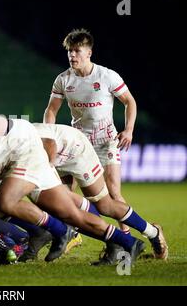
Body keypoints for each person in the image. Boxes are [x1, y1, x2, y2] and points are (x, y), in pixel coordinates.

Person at [0, 99, 146, 264]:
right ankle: (128, 242)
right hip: (24, 161)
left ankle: (56, 231)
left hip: (42, 152)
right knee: (69, 213)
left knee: (6, 200)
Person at [43, 28, 141, 263]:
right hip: (77, 142)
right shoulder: (63, 79)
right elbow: (51, 110)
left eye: (77, 51)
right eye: (69, 51)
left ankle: (125, 242)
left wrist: (128, 129)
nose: (72, 56)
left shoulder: (107, 76)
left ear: (89, 52)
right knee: (61, 193)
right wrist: (50, 135)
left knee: (113, 194)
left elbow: (129, 101)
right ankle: (72, 233)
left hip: (105, 141)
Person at [34, 123, 168, 262]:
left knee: (104, 205)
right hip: (60, 155)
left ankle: (153, 233)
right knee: (59, 209)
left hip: (75, 148)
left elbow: (49, 143)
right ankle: (115, 243)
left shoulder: (19, 135)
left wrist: (49, 171)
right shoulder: (13, 137)